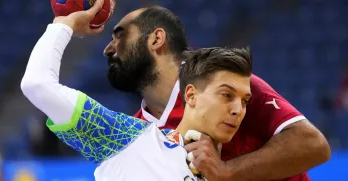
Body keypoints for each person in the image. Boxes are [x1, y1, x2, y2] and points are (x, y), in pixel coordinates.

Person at [21, 1, 253, 180]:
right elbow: (37, 85)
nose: (237, 110)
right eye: (226, 95)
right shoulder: (128, 137)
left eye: (245, 101)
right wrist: (64, 25)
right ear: (191, 95)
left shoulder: (214, 173)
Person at [103, 5, 331, 181]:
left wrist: (226, 171)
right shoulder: (136, 134)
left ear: (156, 39)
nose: (108, 48)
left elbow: (314, 145)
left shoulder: (229, 88)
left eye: (119, 36)